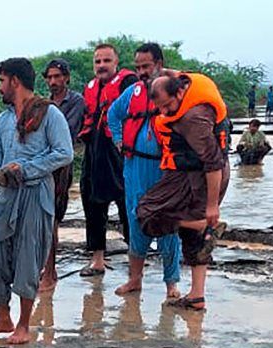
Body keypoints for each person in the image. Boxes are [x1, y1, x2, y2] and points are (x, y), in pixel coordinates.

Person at [0, 58, 73, 344]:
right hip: (5, 194)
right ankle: (3, 317)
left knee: (29, 256)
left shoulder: (50, 115)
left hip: (35, 193)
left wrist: (26, 168)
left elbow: (64, 153)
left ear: (14, 81)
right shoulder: (3, 119)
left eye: (2, 81)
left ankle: (24, 325)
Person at [137, 72, 233, 312]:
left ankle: (202, 224)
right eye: (160, 108)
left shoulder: (193, 119)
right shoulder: (182, 84)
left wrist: (212, 206)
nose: (166, 112)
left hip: (201, 177)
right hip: (186, 172)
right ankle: (197, 296)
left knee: (147, 212)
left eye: (168, 105)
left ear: (179, 93)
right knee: (192, 238)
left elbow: (213, 163)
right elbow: (172, 74)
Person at [107, 42, 183, 298]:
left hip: (167, 168)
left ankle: (171, 283)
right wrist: (118, 138)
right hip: (135, 167)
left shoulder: (177, 91)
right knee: (136, 218)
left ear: (159, 65)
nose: (141, 71)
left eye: (146, 66)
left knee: (168, 224)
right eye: (137, 66)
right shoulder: (132, 93)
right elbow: (113, 115)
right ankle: (135, 279)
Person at [78, 43, 137, 277]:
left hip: (119, 152)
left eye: (106, 61)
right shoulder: (90, 88)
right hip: (94, 152)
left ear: (116, 63)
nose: (101, 66)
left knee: (127, 206)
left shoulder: (128, 83)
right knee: (92, 205)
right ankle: (97, 260)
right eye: (98, 62)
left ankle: (136, 260)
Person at [42, 58, 86, 292]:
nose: (53, 81)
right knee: (42, 218)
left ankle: (50, 272)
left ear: (66, 78)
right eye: (49, 78)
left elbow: (66, 134)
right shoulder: (45, 103)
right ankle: (46, 268)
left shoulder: (76, 102)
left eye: (57, 77)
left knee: (53, 219)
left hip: (61, 167)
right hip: (44, 165)